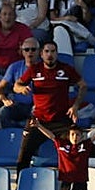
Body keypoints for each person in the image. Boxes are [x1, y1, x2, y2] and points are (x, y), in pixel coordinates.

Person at [13, 39, 85, 171]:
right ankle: (20, 181)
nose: (50, 54)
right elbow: (16, 85)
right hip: (39, 121)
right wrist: (21, 89)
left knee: (75, 148)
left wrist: (75, 105)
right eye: (47, 51)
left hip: (61, 120)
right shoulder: (34, 70)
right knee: (23, 155)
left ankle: (72, 179)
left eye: (53, 51)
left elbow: (83, 85)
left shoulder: (66, 69)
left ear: (57, 53)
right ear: (41, 54)